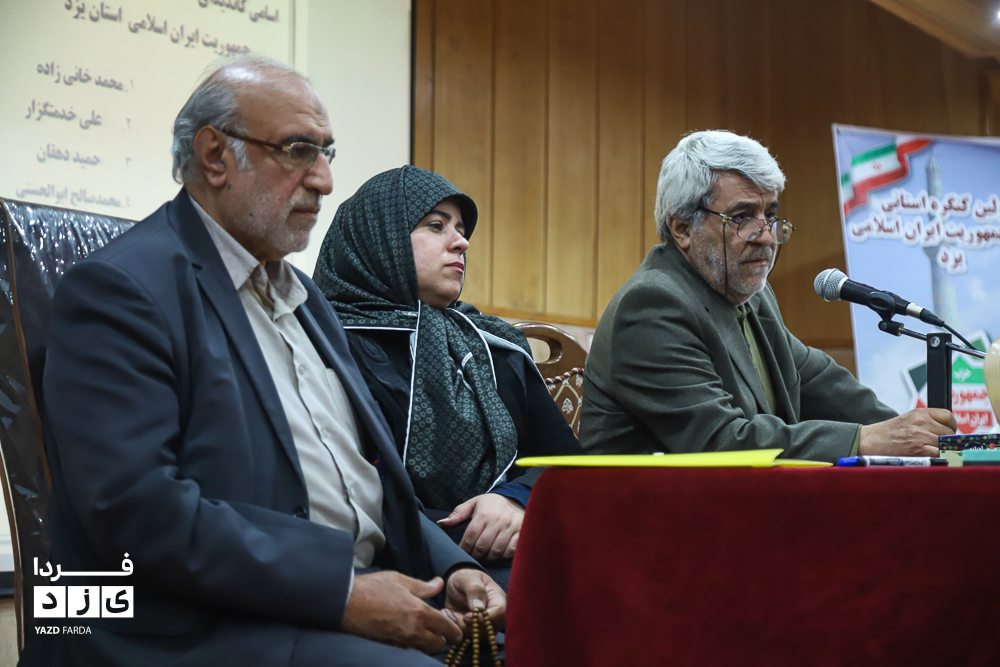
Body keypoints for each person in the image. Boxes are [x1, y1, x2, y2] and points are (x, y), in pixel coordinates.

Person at [22, 57, 504, 667]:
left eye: (327, 152)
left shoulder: (307, 301)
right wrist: (340, 594)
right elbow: (135, 509)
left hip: (334, 593)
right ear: (215, 157)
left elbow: (368, 480)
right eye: (298, 151)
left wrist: (452, 567)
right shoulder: (121, 291)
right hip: (195, 626)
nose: (324, 180)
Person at [580, 130, 957, 461]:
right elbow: (721, 442)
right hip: (651, 513)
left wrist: (917, 435)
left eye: (770, 215)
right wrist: (865, 439)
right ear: (682, 229)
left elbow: (819, 380)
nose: (766, 236)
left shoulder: (750, 293)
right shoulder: (652, 307)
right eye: (743, 217)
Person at [313, 166, 582, 589]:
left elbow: (567, 460)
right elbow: (349, 489)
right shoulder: (324, 344)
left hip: (515, 537)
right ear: (379, 239)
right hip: (391, 560)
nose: (462, 242)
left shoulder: (492, 344)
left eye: (461, 229)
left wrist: (515, 500)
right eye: (436, 226)